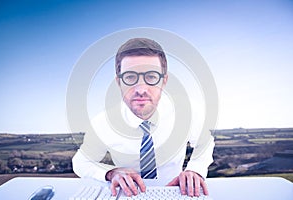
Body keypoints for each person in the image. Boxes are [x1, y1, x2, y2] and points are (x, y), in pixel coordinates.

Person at [72, 38, 215, 197]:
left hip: (176, 194)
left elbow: (205, 144)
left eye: (152, 77)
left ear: (164, 81)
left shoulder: (186, 112)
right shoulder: (103, 122)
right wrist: (111, 173)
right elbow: (80, 162)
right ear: (119, 82)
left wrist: (195, 170)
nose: (141, 89)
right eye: (131, 77)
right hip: (127, 196)